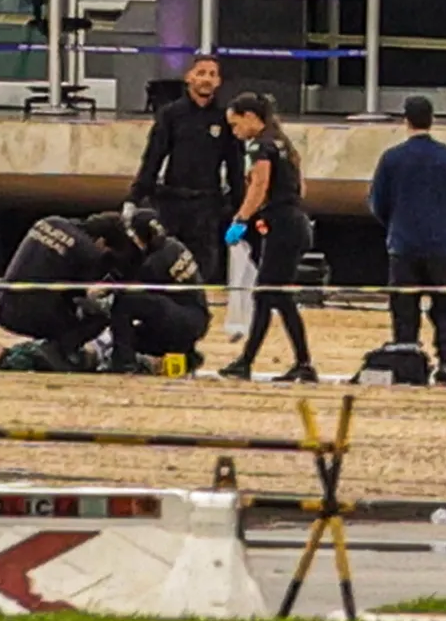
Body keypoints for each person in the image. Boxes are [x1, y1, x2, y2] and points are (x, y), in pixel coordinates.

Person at [369, 96, 446, 388]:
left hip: (403, 244)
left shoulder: (391, 158)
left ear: (405, 120)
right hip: (442, 244)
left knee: (404, 307)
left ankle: (408, 362)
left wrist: (395, 224)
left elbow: (378, 202)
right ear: (432, 119)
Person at [0, 212, 139, 367]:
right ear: (101, 242)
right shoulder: (90, 253)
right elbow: (78, 295)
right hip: (38, 320)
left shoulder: (49, 220)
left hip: (3, 307)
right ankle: (58, 350)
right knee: (99, 315)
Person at [219, 93, 317, 383]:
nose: (235, 133)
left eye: (236, 125)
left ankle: (263, 362)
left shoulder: (260, 146)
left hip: (282, 226)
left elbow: (259, 184)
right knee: (274, 296)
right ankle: (278, 361)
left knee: (268, 293)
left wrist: (241, 218)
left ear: (250, 117)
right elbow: (301, 186)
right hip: (295, 221)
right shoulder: (282, 142)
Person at [128, 55, 240, 283]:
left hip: (207, 203)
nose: (206, 79)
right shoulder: (170, 114)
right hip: (172, 201)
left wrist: (239, 205)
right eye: (201, 73)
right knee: (163, 260)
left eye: (212, 74)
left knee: (204, 266)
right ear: (189, 77)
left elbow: (235, 165)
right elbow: (153, 158)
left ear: (219, 81)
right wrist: (135, 196)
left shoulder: (225, 118)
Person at [107, 209, 211, 372]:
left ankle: (124, 363)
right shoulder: (174, 245)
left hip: (180, 320)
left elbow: (132, 291)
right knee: (137, 330)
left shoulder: (154, 264)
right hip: (198, 319)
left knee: (124, 304)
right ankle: (187, 355)